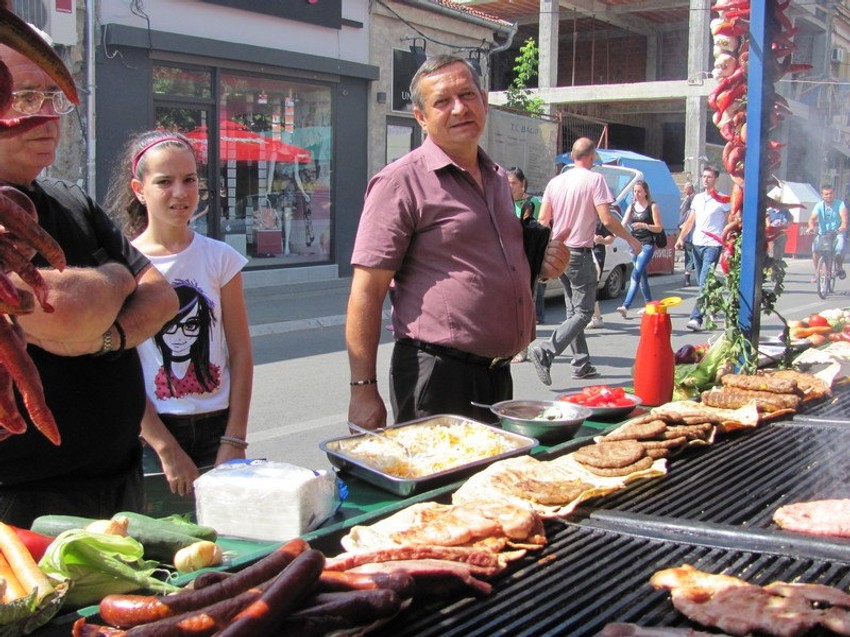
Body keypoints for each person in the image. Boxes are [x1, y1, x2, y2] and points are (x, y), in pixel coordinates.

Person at [0, 41, 178, 526]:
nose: (49, 118)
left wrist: (107, 336)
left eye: (53, 99)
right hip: (25, 498)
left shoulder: (69, 198)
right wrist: (119, 275)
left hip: (119, 477)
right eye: (26, 99)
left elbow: (162, 296)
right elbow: (57, 306)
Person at [345, 55, 569, 429]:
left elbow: (486, 262)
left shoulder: (497, 179)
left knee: (489, 484)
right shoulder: (400, 183)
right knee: (443, 485)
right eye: (442, 101)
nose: (460, 108)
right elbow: (366, 292)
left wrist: (542, 267)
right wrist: (362, 389)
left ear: (484, 100)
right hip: (436, 376)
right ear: (421, 117)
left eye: (467, 95)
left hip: (497, 375)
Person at [106, 131, 253, 497]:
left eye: (189, 180)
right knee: (164, 540)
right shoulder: (122, 265)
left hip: (218, 427)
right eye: (164, 182)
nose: (180, 192)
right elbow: (118, 369)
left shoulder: (220, 258)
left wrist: (235, 438)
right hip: (151, 435)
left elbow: (240, 352)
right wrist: (166, 448)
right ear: (139, 189)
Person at [527, 137, 641, 386]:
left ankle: (581, 363)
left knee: (572, 311)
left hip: (558, 252)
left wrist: (543, 252)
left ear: (572, 157)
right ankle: (546, 350)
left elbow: (544, 220)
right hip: (579, 252)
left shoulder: (555, 182)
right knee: (584, 312)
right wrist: (631, 240)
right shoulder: (595, 179)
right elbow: (607, 219)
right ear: (591, 158)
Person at [674, 166, 730, 332]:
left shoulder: (723, 200)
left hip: (713, 245)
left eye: (709, 177)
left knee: (704, 283)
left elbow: (729, 222)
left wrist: (728, 242)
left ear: (716, 179)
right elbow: (691, 220)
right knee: (702, 281)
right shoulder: (697, 198)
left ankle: (696, 318)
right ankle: (716, 302)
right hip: (697, 244)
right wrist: (681, 238)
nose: (706, 179)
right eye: (704, 176)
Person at [616, 180, 664, 318]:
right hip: (634, 244)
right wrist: (612, 236)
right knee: (642, 277)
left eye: (639, 191)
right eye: (634, 191)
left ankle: (626, 305)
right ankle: (649, 305)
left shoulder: (652, 206)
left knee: (636, 274)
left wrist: (644, 225)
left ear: (645, 192)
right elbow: (623, 223)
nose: (636, 194)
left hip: (647, 244)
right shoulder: (632, 206)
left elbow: (659, 227)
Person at [506, 166, 546, 326]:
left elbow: (535, 232)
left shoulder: (532, 203)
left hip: (526, 256)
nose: (509, 186)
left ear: (523, 184)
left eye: (513, 183)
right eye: (507, 183)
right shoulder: (503, 202)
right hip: (507, 256)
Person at [806, 186, 848, 281]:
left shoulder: (840, 204)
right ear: (822, 195)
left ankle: (839, 267)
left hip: (837, 232)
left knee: (840, 249)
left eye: (831, 193)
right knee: (815, 249)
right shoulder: (819, 205)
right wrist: (811, 226)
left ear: (834, 194)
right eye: (826, 194)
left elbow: (844, 217)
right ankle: (818, 272)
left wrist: (843, 226)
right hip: (823, 233)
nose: (829, 196)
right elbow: (812, 219)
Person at [587, 221, 615, 329]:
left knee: (591, 285)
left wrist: (601, 240)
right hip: (582, 253)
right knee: (587, 286)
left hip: (596, 255)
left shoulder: (599, 222)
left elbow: (611, 238)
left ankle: (596, 318)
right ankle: (595, 317)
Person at [677, 182, 695, 286]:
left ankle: (689, 276)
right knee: (689, 255)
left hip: (690, 233)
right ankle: (688, 276)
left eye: (685, 188)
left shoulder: (692, 198)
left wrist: (682, 224)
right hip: (686, 232)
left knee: (690, 256)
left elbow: (687, 214)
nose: (684, 190)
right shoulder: (687, 198)